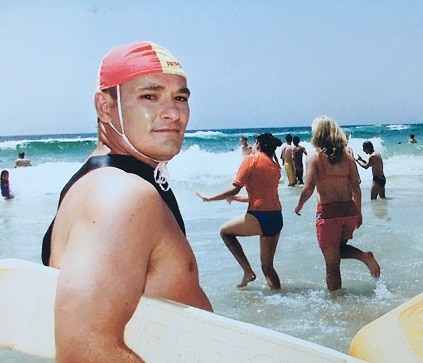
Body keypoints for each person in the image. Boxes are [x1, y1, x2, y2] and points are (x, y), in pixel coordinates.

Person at [40, 41, 213, 362]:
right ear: (105, 107)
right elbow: (85, 351)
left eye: (180, 98)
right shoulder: (120, 195)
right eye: (150, 96)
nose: (173, 113)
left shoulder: (121, 180)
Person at [294, 116, 380, 293]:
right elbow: (356, 187)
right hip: (349, 211)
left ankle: (336, 304)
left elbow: (309, 187)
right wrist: (359, 212)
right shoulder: (347, 158)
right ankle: (363, 256)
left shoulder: (314, 158)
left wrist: (299, 205)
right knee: (337, 250)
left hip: (328, 214)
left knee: (332, 265)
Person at [196, 133, 284, 290]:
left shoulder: (251, 159)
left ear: (258, 144)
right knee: (268, 267)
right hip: (276, 217)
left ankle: (248, 271)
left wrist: (209, 198)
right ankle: (278, 295)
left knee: (225, 232)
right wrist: (236, 199)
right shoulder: (274, 166)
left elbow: (235, 187)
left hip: (260, 216)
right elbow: (261, 196)